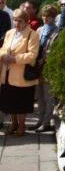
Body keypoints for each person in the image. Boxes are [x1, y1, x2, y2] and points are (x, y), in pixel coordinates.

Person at [0, 8, 40, 137]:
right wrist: (2, 56)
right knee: (9, 102)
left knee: (21, 103)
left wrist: (14, 59)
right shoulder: (10, 33)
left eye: (20, 21)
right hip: (7, 73)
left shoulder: (32, 34)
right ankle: (14, 124)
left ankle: (22, 125)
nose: (17, 23)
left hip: (22, 76)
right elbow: (3, 48)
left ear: (26, 21)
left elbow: (32, 55)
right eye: (15, 20)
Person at [34, 5, 59, 133]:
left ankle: (46, 122)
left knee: (48, 96)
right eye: (43, 16)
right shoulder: (39, 30)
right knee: (39, 96)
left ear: (54, 17)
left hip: (49, 68)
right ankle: (39, 120)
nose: (45, 18)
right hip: (37, 68)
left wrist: (44, 58)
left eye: (48, 16)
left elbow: (56, 52)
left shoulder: (58, 32)